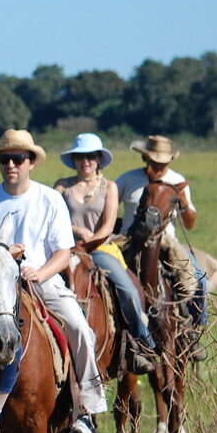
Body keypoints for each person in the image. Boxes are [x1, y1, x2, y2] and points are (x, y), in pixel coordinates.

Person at [0, 129, 106, 433]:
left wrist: (39, 272)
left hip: (42, 282)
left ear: (31, 162)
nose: (11, 165)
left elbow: (63, 254)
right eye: (5, 159)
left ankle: (86, 408)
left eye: (18, 159)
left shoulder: (49, 199)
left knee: (80, 328)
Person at [53, 133, 157, 374]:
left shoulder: (109, 187)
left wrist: (91, 240)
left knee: (128, 290)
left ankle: (142, 343)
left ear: (99, 159)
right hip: (65, 249)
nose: (85, 161)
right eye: (80, 156)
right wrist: (75, 229)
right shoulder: (62, 186)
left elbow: (108, 226)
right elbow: (51, 219)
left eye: (90, 156)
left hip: (99, 248)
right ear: (74, 160)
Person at [114, 135, 208, 359]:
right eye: (154, 162)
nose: (158, 167)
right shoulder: (128, 180)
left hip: (167, 242)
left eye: (162, 163)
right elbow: (108, 206)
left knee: (199, 279)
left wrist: (183, 203)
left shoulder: (177, 181)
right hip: (129, 240)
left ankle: (193, 331)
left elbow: (190, 224)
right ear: (146, 159)